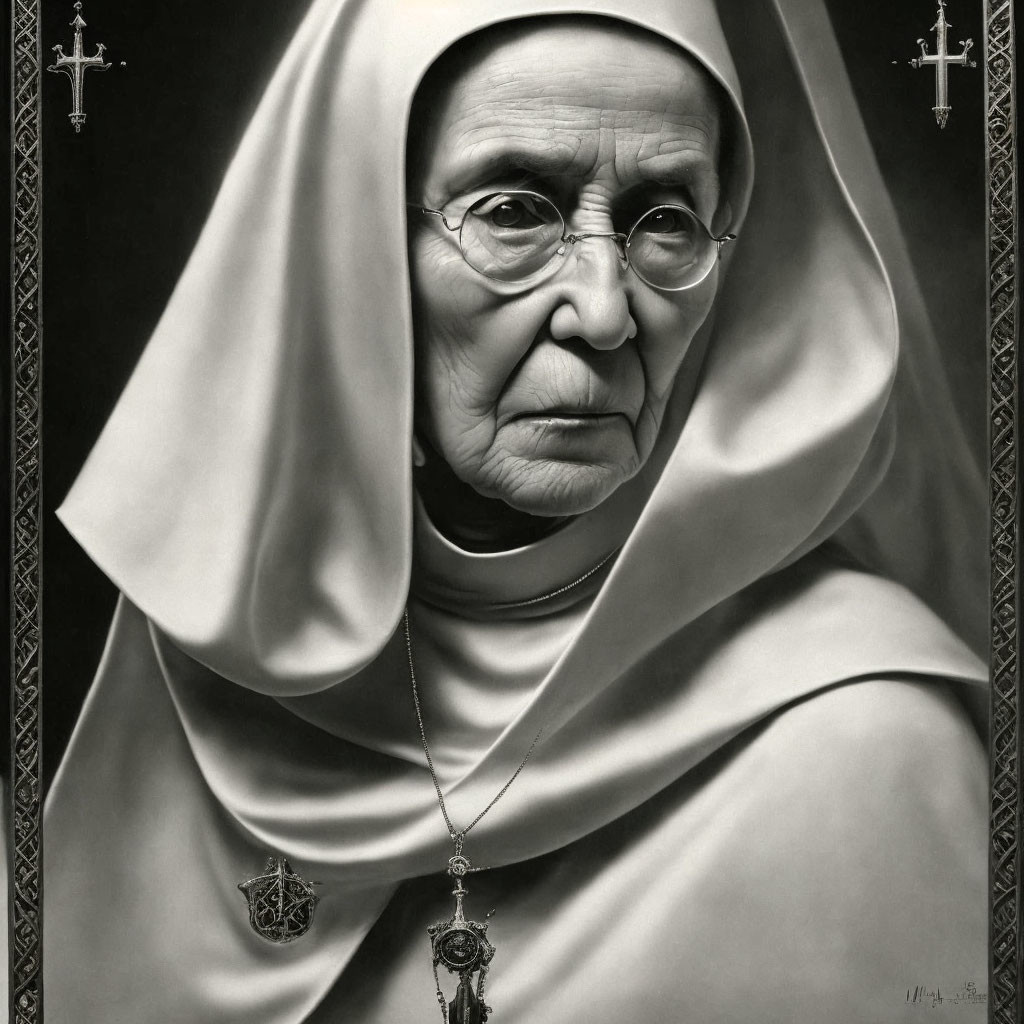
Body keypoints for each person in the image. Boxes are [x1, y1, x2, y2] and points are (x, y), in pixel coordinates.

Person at [41, 0, 988, 1021]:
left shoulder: (869, 754)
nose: (604, 310)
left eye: (665, 220)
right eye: (513, 212)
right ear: (347, 243)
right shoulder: (222, 645)